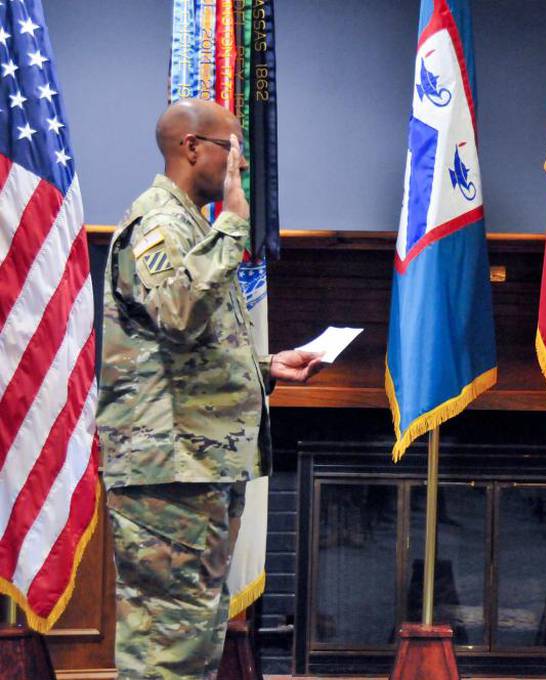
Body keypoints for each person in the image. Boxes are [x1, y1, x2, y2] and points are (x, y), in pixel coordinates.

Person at [97, 99, 323, 679]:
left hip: (198, 462)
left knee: (191, 635)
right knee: (166, 646)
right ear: (191, 147)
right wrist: (232, 223)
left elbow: (189, 348)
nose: (239, 168)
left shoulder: (189, 225)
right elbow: (177, 311)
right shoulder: (159, 225)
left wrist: (268, 366)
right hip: (168, 470)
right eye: (233, 151)